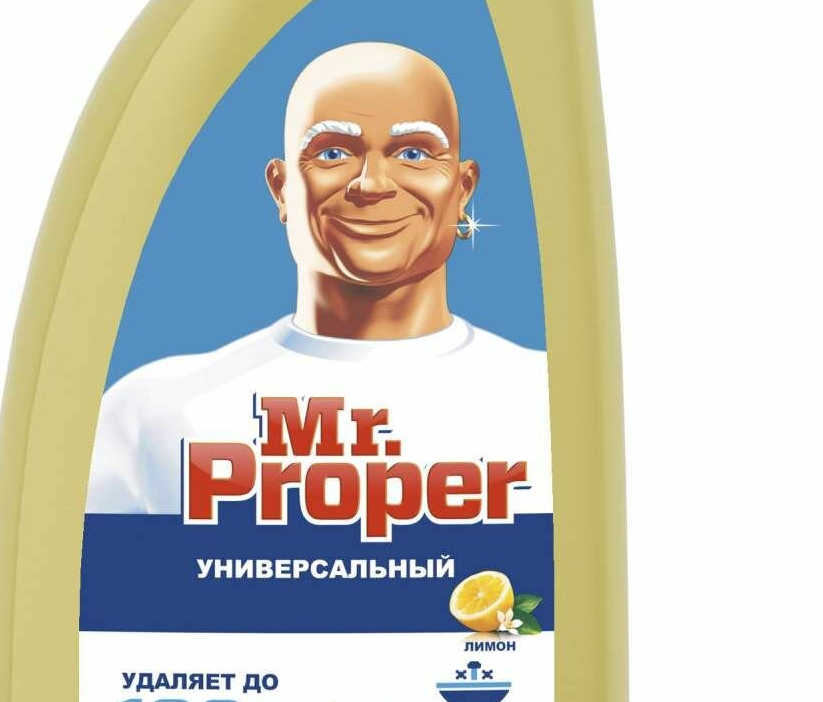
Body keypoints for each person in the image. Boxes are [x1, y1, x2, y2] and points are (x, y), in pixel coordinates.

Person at [86, 42, 550, 516]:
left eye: (413, 152)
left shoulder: (553, 403)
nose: (372, 184)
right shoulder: (153, 414)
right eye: (332, 153)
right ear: (281, 188)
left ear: (463, 188)